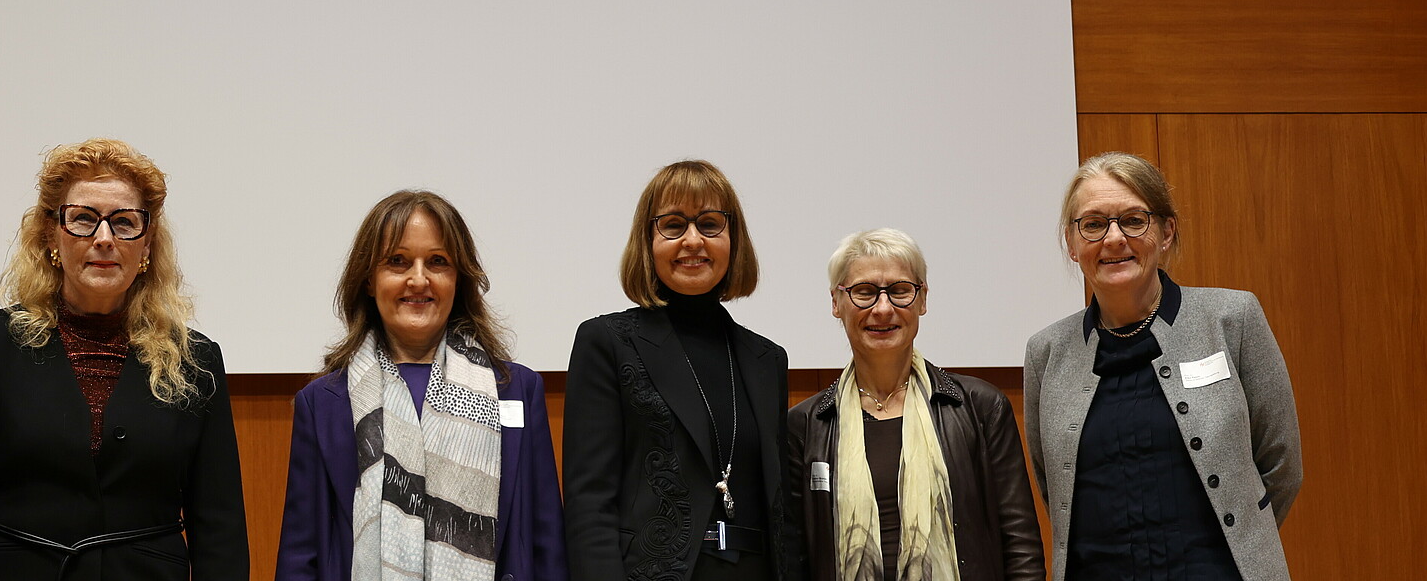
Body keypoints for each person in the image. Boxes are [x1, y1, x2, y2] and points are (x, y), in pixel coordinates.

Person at [0, 139, 247, 581]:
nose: (104, 239)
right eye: (83, 219)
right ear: (51, 234)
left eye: (124, 223)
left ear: (148, 241)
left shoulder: (196, 360)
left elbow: (219, 524)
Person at [1024, 152, 1303, 580]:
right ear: (1072, 242)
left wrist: (1244, 540)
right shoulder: (1047, 353)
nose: (1114, 238)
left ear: (1166, 232)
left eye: (1134, 220)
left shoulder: (1232, 319)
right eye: (1094, 224)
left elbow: (1281, 463)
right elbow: (1054, 486)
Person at [274, 190, 567, 581]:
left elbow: (547, 544)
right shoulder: (323, 403)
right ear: (368, 280)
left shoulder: (517, 391)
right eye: (397, 261)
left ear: (458, 279)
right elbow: (300, 555)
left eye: (437, 262)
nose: (418, 278)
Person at [563, 160, 803, 581]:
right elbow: (589, 506)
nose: (693, 240)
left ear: (733, 239)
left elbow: (782, 514)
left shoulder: (767, 359)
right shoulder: (607, 342)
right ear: (648, 241)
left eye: (710, 224)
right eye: (673, 225)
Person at [784, 229, 1044, 581]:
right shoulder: (806, 424)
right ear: (836, 302)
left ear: (922, 300)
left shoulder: (981, 407)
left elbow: (1020, 544)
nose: (883, 308)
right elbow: (794, 557)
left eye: (900, 290)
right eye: (864, 292)